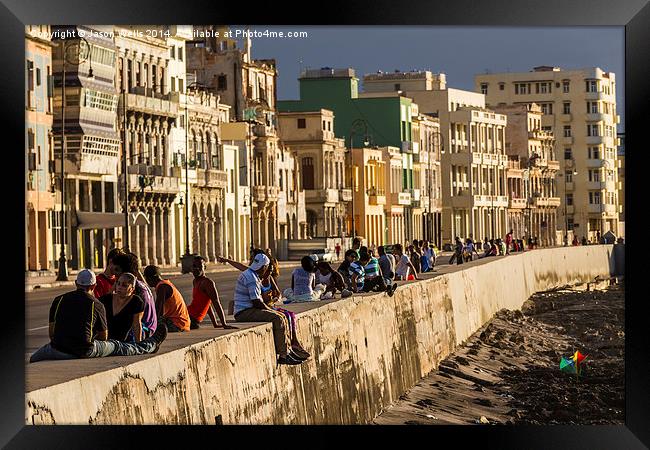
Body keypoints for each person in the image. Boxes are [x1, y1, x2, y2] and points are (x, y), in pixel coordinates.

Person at [30, 270, 167, 362]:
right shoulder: (97, 304)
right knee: (120, 347)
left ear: (76, 283)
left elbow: (52, 333)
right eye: (118, 284)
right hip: (84, 351)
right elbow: (103, 338)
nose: (119, 287)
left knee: (33, 359)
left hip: (56, 349)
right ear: (94, 286)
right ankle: (150, 344)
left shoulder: (58, 300)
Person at [233, 253, 305, 365]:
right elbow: (257, 302)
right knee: (278, 319)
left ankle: (288, 351)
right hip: (244, 312)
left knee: (283, 316)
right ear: (264, 267)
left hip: (247, 309)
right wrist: (270, 310)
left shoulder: (251, 274)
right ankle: (283, 355)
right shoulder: (251, 278)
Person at [187, 255, 237, 330]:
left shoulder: (207, 282)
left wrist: (224, 324)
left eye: (199, 266)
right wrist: (215, 323)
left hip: (192, 319)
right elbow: (207, 305)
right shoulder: (195, 281)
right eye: (194, 266)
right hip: (187, 314)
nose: (196, 269)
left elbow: (216, 303)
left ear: (204, 267)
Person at [113, 253, 157, 337]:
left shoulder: (135, 289)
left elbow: (135, 321)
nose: (115, 274)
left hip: (144, 329)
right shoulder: (139, 284)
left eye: (117, 270)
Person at [98, 272, 145, 342]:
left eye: (124, 285)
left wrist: (139, 344)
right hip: (103, 342)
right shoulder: (105, 300)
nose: (119, 287)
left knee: (140, 347)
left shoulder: (136, 302)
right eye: (118, 283)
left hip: (121, 343)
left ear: (132, 289)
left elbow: (136, 324)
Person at [143, 265, 191, 333]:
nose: (146, 281)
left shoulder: (162, 287)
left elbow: (158, 310)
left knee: (146, 327)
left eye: (146, 278)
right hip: (181, 323)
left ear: (151, 278)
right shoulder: (165, 283)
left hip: (177, 324)